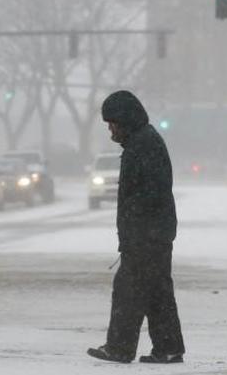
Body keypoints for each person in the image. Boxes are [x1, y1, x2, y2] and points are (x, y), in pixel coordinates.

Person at [87, 90, 185, 365]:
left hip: (147, 235)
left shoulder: (144, 145)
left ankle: (120, 347)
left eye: (112, 124)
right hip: (154, 233)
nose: (110, 131)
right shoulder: (143, 142)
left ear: (125, 120)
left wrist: (134, 232)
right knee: (156, 291)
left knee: (128, 290)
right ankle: (168, 348)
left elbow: (150, 193)